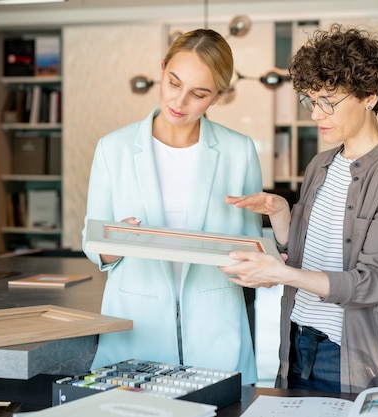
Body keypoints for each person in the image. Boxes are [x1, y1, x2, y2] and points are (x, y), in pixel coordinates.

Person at [220, 24, 378, 393]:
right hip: (297, 338)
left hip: (346, 352)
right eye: (311, 101)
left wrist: (283, 276)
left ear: (369, 97)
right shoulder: (321, 164)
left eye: (328, 102)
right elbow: (301, 255)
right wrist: (282, 214)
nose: (316, 114)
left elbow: (373, 283)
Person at [82, 28, 262, 385]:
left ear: (219, 96)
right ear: (162, 69)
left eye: (199, 94)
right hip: (135, 322)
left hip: (217, 325)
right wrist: (115, 245)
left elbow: (250, 242)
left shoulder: (239, 151)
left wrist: (254, 264)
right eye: (173, 83)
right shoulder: (112, 148)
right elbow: (92, 241)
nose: (179, 102)